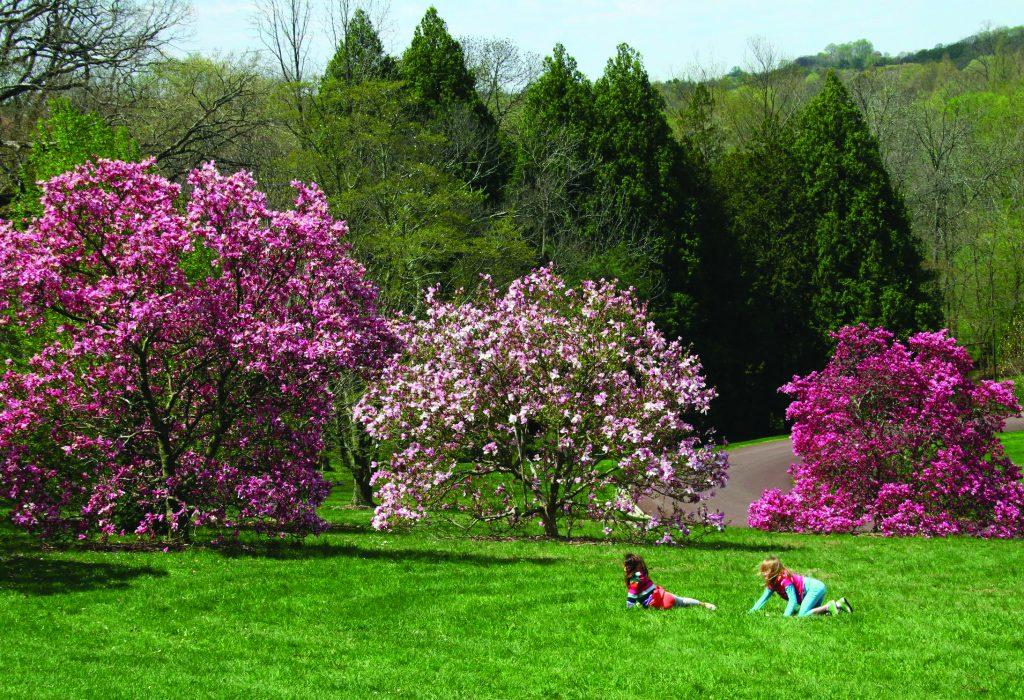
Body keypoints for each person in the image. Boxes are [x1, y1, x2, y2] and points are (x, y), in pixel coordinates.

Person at [748, 556, 853, 617]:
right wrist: (751, 612)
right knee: (814, 614)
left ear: (774, 571)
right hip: (816, 589)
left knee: (802, 615)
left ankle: (829, 606)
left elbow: (792, 600)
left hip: (815, 589)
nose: (763, 573)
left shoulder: (784, 580)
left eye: (766, 571)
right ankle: (839, 604)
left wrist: (785, 617)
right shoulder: (773, 582)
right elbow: (763, 598)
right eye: (763, 571)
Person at [624, 553, 716, 610]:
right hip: (663, 595)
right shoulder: (642, 574)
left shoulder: (635, 581)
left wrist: (629, 609)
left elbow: (631, 596)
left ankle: (701, 605)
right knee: (682, 601)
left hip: (657, 603)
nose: (624, 568)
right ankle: (703, 604)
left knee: (678, 603)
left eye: (626, 566)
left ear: (631, 567)